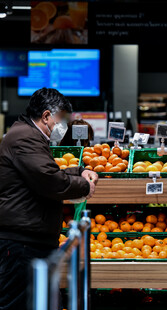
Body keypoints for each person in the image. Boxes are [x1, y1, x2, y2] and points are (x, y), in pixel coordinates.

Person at [0, 88, 98, 310]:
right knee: (17, 303)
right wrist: (85, 185)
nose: (63, 125)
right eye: (61, 118)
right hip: (22, 243)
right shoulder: (25, 138)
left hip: (30, 239)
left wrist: (79, 171)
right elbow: (51, 181)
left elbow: (47, 173)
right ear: (46, 116)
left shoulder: (28, 135)